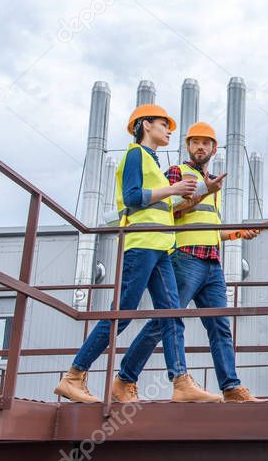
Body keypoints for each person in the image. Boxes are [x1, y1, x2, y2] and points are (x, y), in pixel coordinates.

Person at [54, 105, 222, 403]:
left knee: (172, 315)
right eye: (163, 124)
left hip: (160, 248)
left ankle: (181, 383)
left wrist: (196, 194)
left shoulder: (154, 163)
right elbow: (132, 197)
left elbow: (166, 208)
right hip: (141, 244)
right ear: (145, 125)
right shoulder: (135, 154)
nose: (169, 130)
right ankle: (73, 377)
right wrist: (172, 190)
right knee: (124, 314)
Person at [124, 121, 262, 402]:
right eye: (194, 142)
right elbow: (166, 212)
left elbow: (207, 226)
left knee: (220, 326)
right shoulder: (176, 172)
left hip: (212, 262)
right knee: (165, 322)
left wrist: (237, 233)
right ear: (187, 146)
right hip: (185, 258)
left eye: (206, 142)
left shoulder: (212, 182)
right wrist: (203, 192)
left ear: (214, 148)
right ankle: (125, 377)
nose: (200, 147)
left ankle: (231, 387)